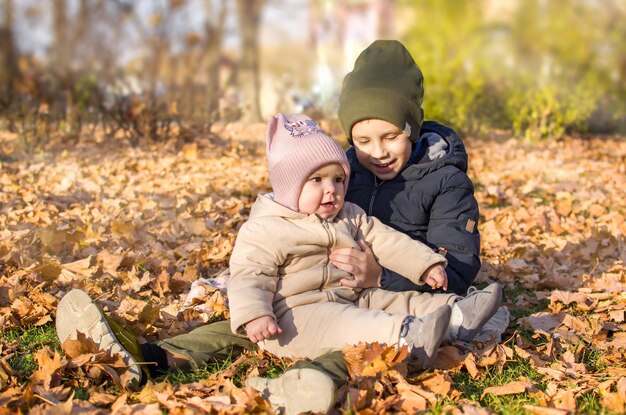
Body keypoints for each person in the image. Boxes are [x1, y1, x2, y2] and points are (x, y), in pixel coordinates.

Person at [55, 40, 493, 414]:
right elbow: (273, 244)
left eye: (390, 137)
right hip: (308, 294)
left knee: (358, 335)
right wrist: (253, 300)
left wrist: (383, 275)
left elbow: (446, 264)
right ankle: (149, 357)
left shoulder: (445, 181)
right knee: (249, 323)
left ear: (411, 129)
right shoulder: (341, 171)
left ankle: (315, 380)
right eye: (362, 141)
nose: (376, 152)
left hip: (374, 291)